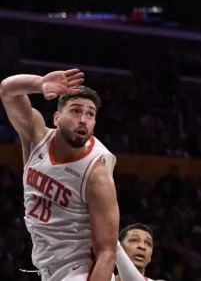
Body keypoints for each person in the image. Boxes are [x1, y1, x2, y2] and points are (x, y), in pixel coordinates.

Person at [0, 69, 118, 281]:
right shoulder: (36, 137)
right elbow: (7, 90)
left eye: (90, 114)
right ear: (57, 118)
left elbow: (107, 253)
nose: (83, 120)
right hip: (48, 267)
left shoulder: (96, 173)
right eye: (76, 111)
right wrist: (39, 83)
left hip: (80, 271)